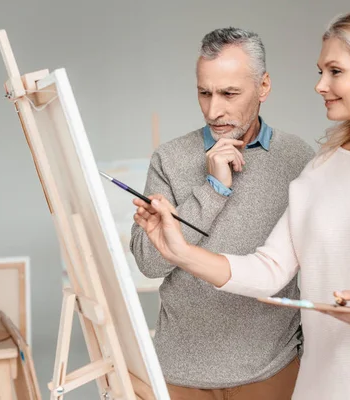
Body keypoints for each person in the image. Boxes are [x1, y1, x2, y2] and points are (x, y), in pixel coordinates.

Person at [133, 9, 350, 400]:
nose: (321, 85)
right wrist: (180, 251)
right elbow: (268, 270)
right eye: (320, 71)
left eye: (335, 71)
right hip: (320, 388)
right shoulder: (320, 169)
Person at [129, 27, 316, 399]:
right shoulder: (170, 159)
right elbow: (150, 264)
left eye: (230, 94)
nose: (215, 110)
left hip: (271, 370)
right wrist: (214, 189)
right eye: (204, 93)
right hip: (180, 374)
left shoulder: (298, 159)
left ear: (263, 87)